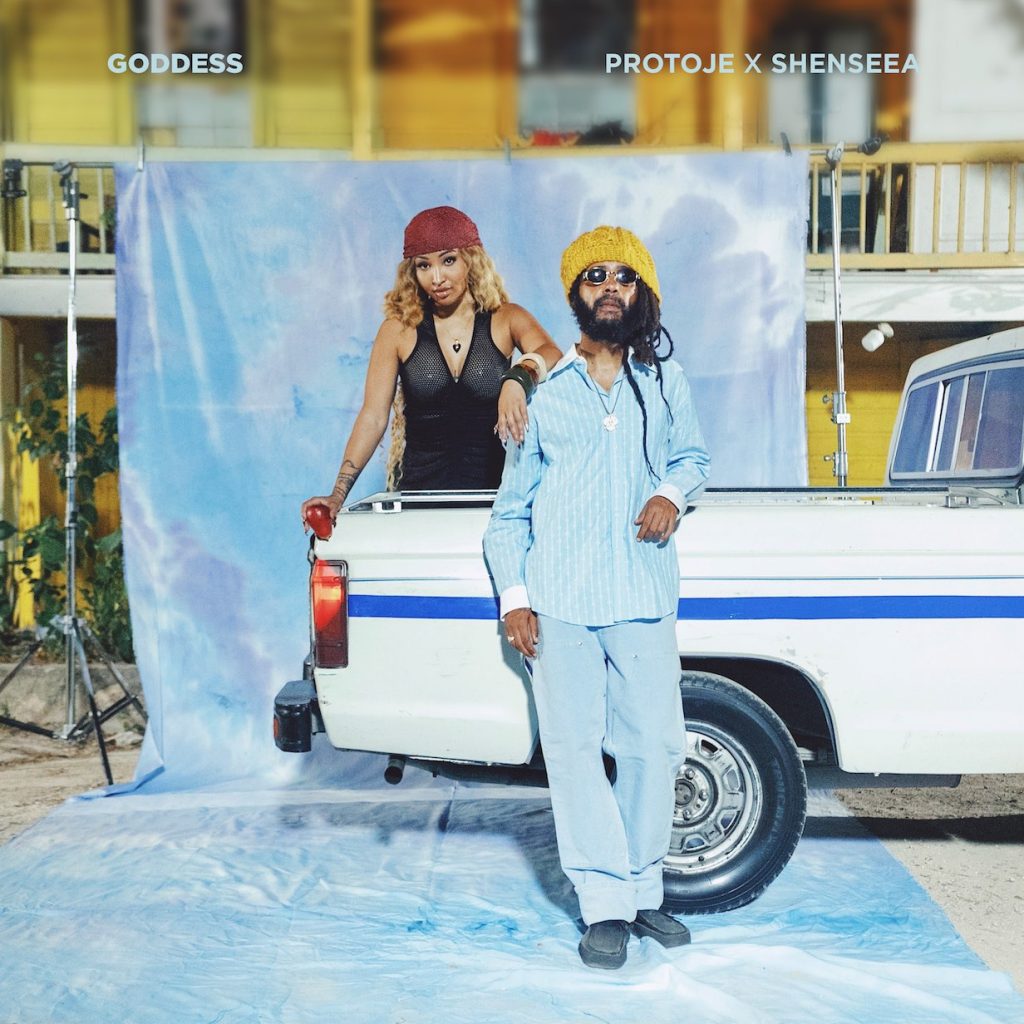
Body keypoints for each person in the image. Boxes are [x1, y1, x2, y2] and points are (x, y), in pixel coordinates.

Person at [483, 226, 711, 969]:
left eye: (623, 276)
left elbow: (693, 457)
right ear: (575, 294)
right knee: (575, 750)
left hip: (642, 593)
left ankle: (643, 891)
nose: (609, 287)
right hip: (560, 603)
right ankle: (604, 905)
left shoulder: (665, 382)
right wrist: (515, 599)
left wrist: (670, 493)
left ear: (642, 291)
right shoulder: (543, 394)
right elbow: (508, 516)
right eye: (594, 277)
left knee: (654, 745)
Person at [301, 206, 561, 523]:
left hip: (495, 505)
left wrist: (518, 378)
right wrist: (337, 494)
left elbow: (551, 352)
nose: (436, 278)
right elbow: (373, 416)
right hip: (418, 505)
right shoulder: (398, 329)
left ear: (471, 259)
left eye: (448, 260)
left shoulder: (505, 318)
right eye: (424, 265)